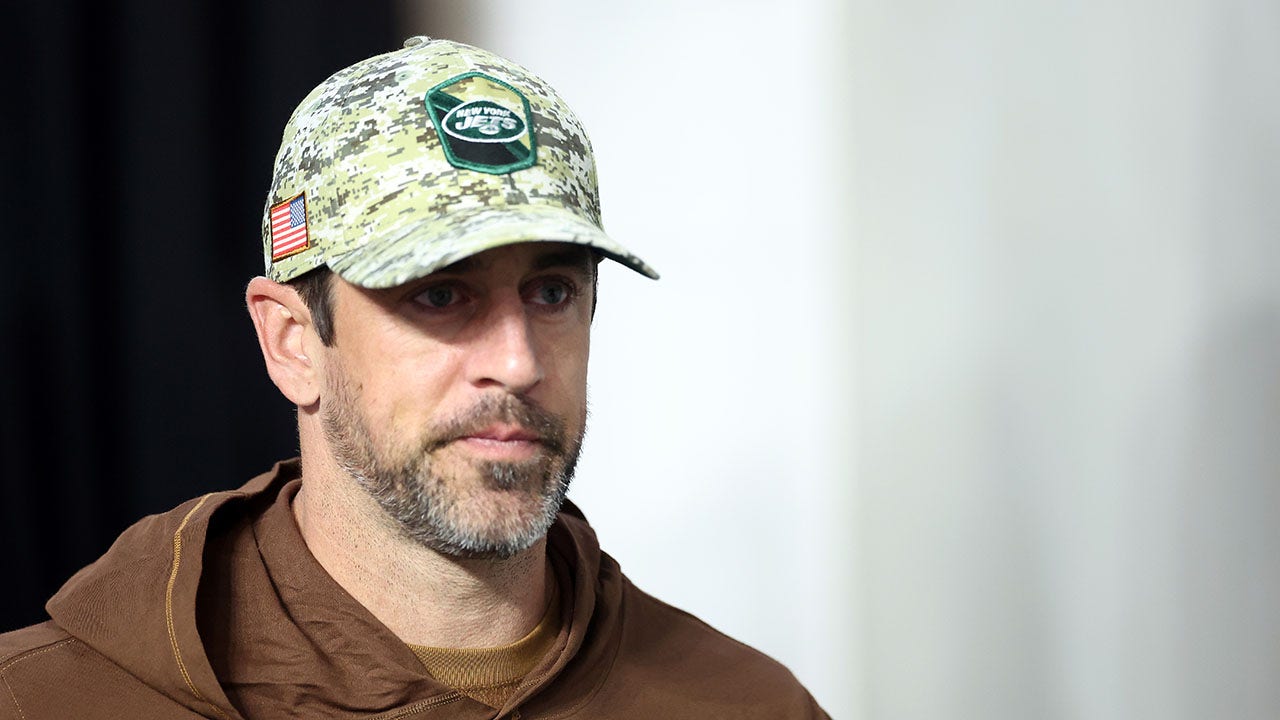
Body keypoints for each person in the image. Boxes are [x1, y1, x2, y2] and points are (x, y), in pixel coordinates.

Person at [0, 37, 829, 719]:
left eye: (551, 292)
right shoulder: (45, 702)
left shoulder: (750, 707)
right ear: (292, 342)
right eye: (439, 294)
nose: (518, 363)